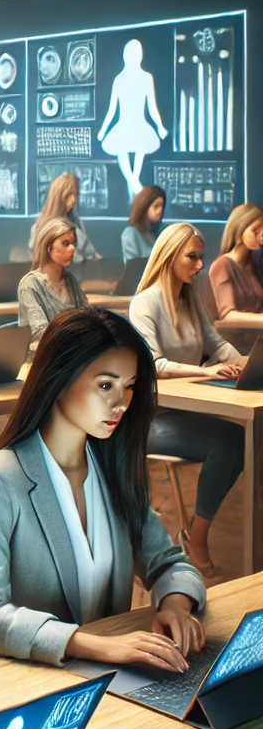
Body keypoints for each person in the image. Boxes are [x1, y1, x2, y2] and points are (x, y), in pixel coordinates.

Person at [0, 307, 207, 671]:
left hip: (106, 680)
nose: (121, 403)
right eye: (105, 385)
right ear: (59, 378)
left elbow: (169, 563)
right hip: (16, 684)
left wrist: (174, 602)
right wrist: (99, 647)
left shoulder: (114, 469)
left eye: (129, 387)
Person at [129, 223, 246, 569]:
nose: (200, 266)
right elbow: (154, 364)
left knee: (242, 438)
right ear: (169, 257)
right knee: (224, 444)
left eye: (201, 257)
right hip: (147, 420)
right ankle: (197, 542)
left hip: (182, 411)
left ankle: (195, 534)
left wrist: (243, 362)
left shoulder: (190, 297)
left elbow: (217, 345)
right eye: (192, 257)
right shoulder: (143, 303)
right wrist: (207, 372)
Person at [97, 39, 168, 198]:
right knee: (121, 149)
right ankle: (134, 184)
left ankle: (133, 183)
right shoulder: (119, 80)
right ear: (125, 56)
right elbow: (112, 110)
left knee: (140, 146)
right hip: (123, 126)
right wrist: (103, 131)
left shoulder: (146, 78)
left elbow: (152, 107)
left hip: (140, 126)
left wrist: (160, 127)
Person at [18, 216, 89, 358]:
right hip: (43, 360)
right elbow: (41, 333)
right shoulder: (30, 284)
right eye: (65, 243)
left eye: (73, 243)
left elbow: (88, 318)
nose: (72, 248)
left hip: (72, 354)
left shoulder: (71, 281)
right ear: (48, 246)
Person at [29, 173, 100, 263]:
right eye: (69, 195)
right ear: (59, 196)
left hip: (84, 272)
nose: (74, 199)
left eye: (75, 194)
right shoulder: (40, 228)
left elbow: (91, 253)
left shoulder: (76, 223)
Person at [209, 203, 263, 318]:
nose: (261, 237)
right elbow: (227, 315)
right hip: (237, 334)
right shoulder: (222, 266)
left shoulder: (255, 265)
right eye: (256, 231)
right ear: (240, 228)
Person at [120, 185, 166, 263]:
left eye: (162, 206)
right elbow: (133, 268)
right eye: (156, 206)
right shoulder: (130, 234)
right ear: (144, 207)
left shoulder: (162, 231)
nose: (159, 211)